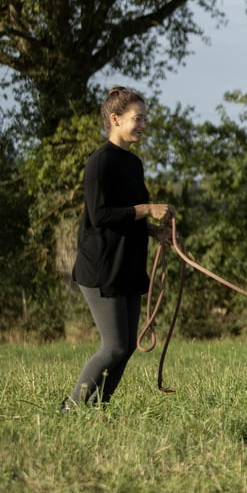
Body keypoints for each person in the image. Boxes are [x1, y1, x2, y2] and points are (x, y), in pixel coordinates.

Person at [60, 86, 173, 413]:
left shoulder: (133, 164)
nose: (142, 125)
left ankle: (97, 410)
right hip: (101, 268)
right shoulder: (100, 163)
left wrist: (154, 231)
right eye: (137, 119)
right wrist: (147, 209)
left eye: (144, 119)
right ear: (115, 119)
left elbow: (127, 215)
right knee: (114, 347)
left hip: (127, 264)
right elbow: (101, 215)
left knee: (125, 348)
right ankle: (71, 409)